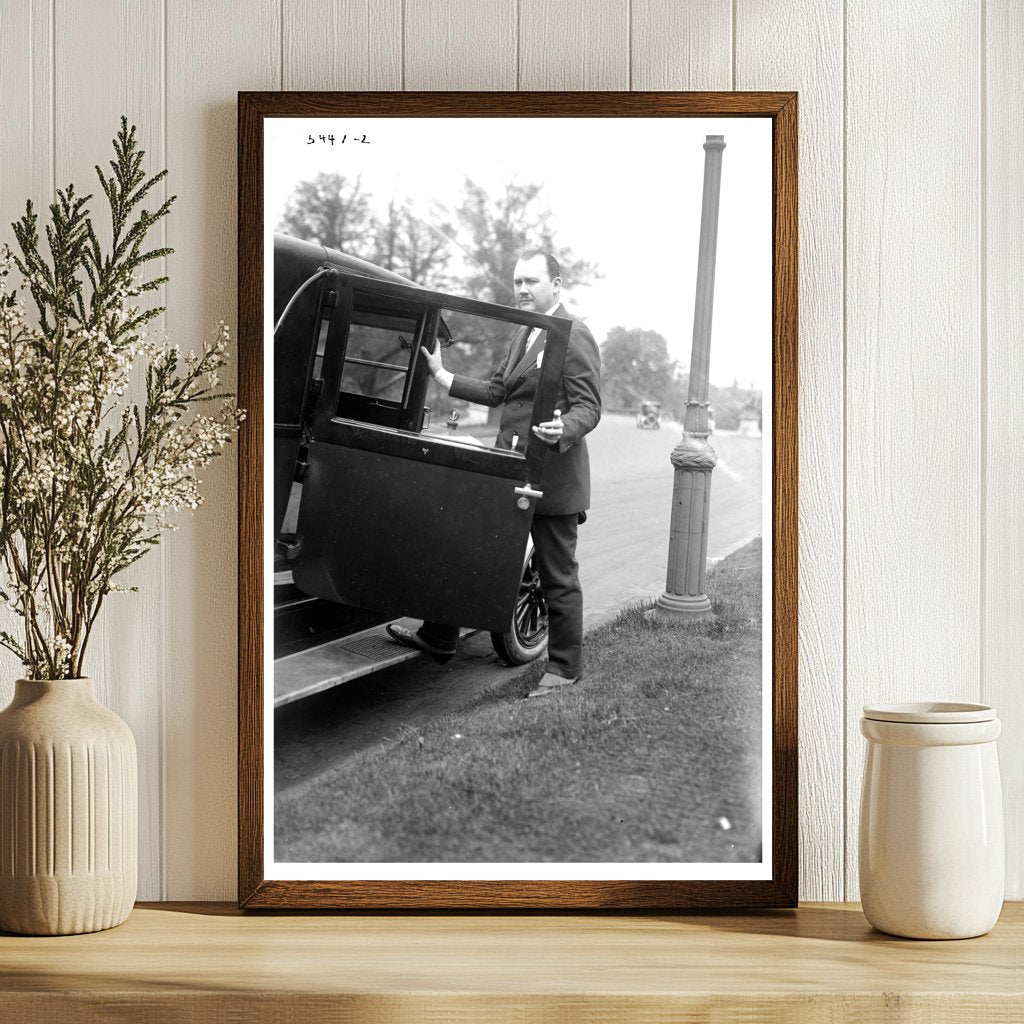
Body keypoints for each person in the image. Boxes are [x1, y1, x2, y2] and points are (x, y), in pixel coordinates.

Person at [386, 250, 601, 698]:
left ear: (556, 285)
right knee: (469, 549)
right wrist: (442, 374)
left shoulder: (575, 333)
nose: (522, 289)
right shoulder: (525, 332)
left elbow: (589, 406)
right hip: (510, 468)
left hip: (553, 480)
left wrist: (567, 427)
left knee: (557, 575)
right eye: (518, 281)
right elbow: (499, 391)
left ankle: (564, 669)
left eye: (532, 281)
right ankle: (441, 635)